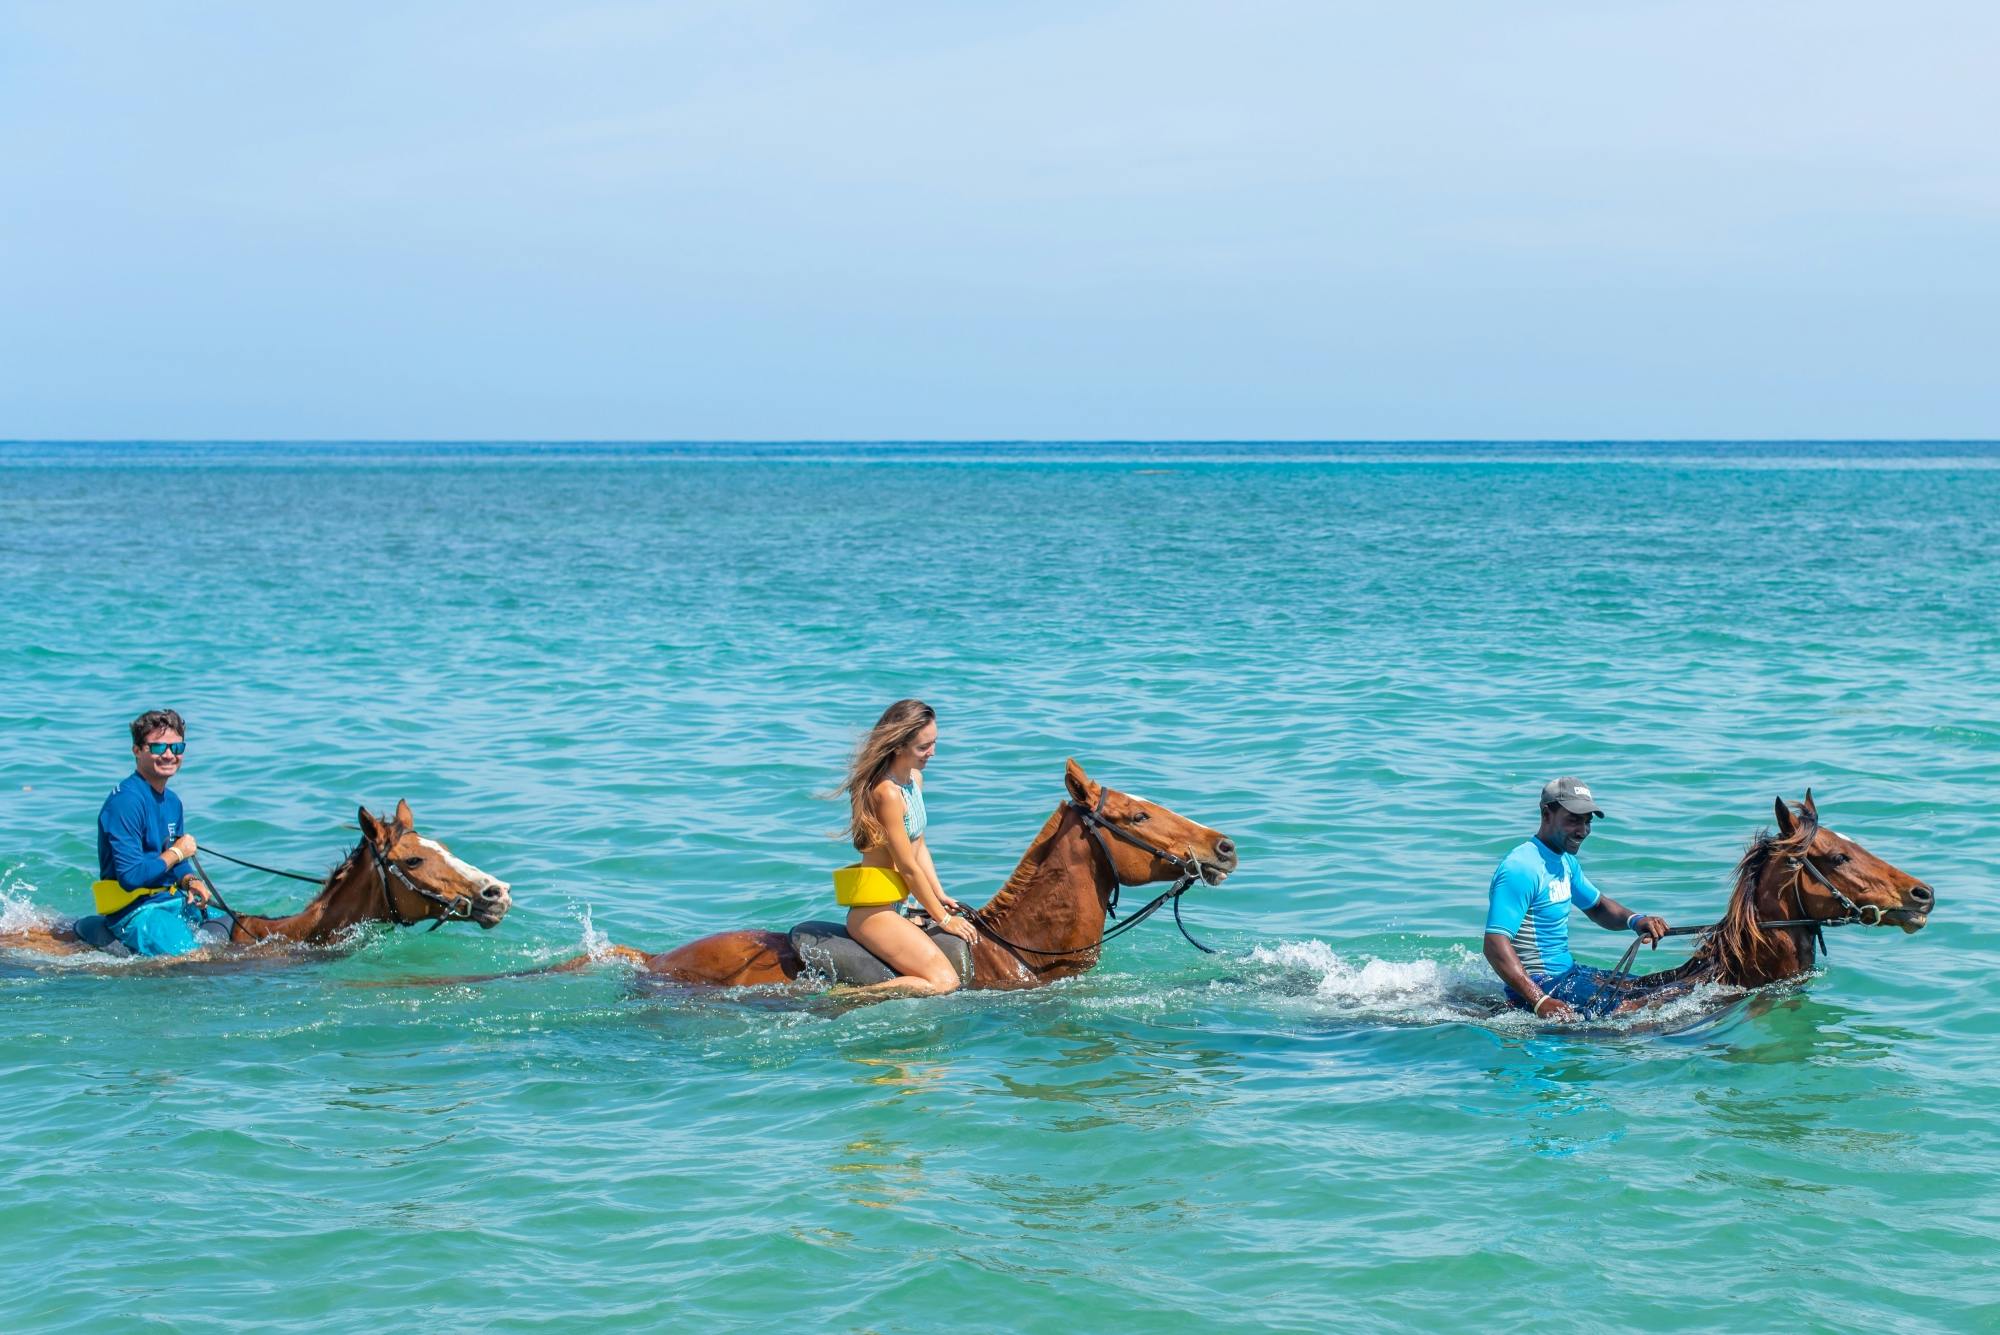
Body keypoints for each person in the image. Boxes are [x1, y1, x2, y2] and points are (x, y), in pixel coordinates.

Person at [1482, 777, 1672, 1020]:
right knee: (1647, 1009)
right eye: (1573, 820)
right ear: (1546, 814)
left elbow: (1598, 907)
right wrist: (1540, 1001)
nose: (1583, 831)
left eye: (1587, 822)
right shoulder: (1521, 868)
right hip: (1542, 982)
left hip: (1569, 973)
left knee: (1657, 989)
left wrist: (1636, 920)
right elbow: (1494, 944)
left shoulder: (1565, 861)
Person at [833, 699, 977, 994]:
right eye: (923, 747)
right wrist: (943, 919)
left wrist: (939, 895)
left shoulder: (914, 780)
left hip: (902, 903)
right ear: (898, 746)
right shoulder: (886, 794)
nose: (932, 752)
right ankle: (847, 997)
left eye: (934, 743)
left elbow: (919, 846)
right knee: (945, 982)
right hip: (875, 912)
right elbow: (908, 868)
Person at [91, 708, 223, 957]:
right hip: (135, 911)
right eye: (158, 748)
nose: (169, 755)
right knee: (196, 959)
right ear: (137, 750)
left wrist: (191, 881)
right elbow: (131, 876)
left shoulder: (173, 802)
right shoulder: (126, 802)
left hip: (171, 902)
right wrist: (176, 852)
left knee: (240, 930)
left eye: (177, 748)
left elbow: (177, 865)